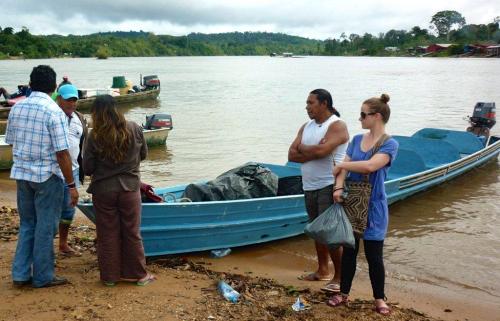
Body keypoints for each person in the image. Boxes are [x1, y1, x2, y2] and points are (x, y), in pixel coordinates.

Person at [5, 65, 78, 288]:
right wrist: (72, 184)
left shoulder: (17, 108)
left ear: (30, 83)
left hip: (22, 175)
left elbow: (10, 141)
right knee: (46, 227)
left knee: (28, 224)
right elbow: (63, 153)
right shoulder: (53, 112)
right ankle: (43, 276)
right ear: (54, 87)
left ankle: (20, 274)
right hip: (47, 177)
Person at [328, 94, 399, 316]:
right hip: (352, 201)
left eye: (363, 114)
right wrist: (338, 188)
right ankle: (344, 293)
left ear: (376, 116)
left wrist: (342, 165)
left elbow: (370, 166)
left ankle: (379, 298)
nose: (359, 119)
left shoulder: (390, 144)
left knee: (374, 255)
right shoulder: (357, 140)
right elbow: (344, 170)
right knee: (349, 250)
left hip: (374, 206)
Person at [83, 95, 155, 286]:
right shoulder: (134, 128)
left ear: (96, 113)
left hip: (103, 190)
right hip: (130, 188)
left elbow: (88, 167)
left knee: (107, 233)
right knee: (132, 232)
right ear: (117, 109)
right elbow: (144, 155)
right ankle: (139, 275)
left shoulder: (94, 135)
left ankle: (110, 277)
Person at [288, 89, 349, 292]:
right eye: (307, 103)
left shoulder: (337, 126)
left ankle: (339, 278)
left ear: (324, 103)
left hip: (329, 185)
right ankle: (323, 270)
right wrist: (314, 150)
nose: (307, 107)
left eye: (311, 103)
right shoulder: (306, 126)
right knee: (316, 230)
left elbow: (323, 151)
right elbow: (291, 154)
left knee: (330, 232)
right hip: (309, 185)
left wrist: (306, 148)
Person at [55, 84, 88, 256]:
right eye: (68, 99)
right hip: (53, 172)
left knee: (68, 210)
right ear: (59, 99)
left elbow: (84, 145)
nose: (72, 103)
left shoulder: (79, 118)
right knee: (51, 211)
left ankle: (63, 244)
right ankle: (45, 247)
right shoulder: (52, 116)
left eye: (74, 100)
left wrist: (87, 169)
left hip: (73, 170)